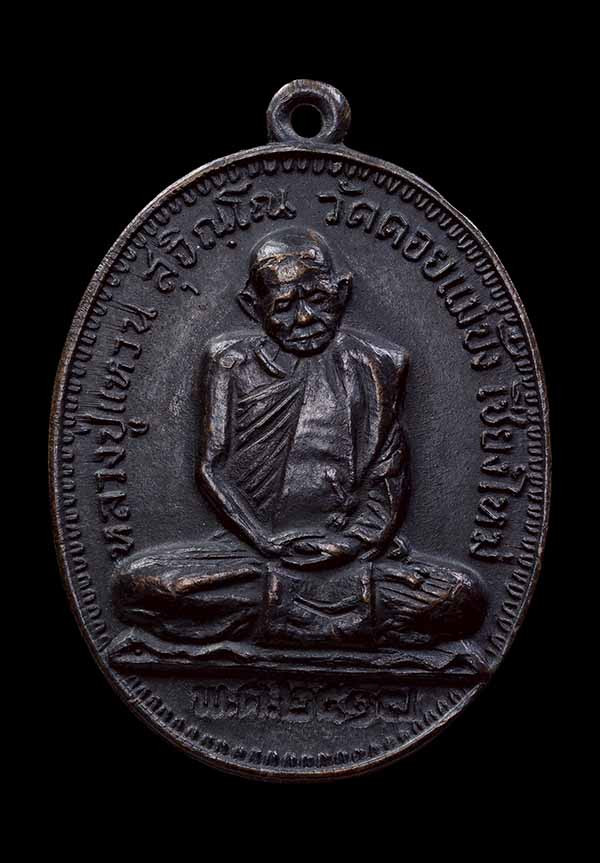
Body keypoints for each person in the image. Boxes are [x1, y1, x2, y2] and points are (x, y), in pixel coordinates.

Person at [114, 228, 485, 648]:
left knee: (461, 596)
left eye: (318, 300)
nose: (305, 318)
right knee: (141, 585)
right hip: (250, 552)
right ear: (252, 307)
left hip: (349, 555)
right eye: (284, 306)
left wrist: (349, 544)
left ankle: (282, 617)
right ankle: (341, 623)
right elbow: (210, 469)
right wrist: (263, 541)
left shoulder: (378, 364)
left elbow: (387, 479)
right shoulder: (230, 362)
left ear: (341, 293)